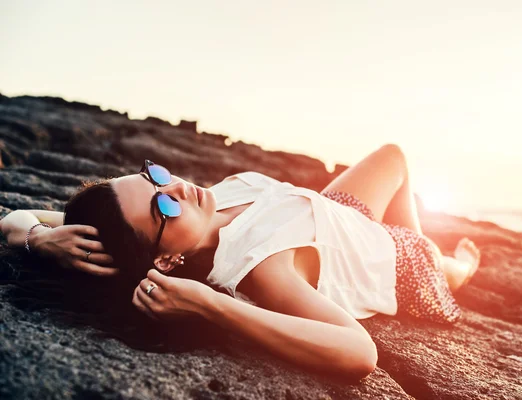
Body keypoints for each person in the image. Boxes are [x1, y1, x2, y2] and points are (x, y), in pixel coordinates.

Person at [0, 143, 480, 381]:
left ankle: (423, 236)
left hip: (340, 213)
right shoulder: (261, 266)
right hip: (397, 259)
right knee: (439, 258)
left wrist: (41, 238)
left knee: (394, 156)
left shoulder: (205, 202)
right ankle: (458, 267)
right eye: (162, 208)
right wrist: (213, 306)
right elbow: (359, 354)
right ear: (166, 260)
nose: (174, 190)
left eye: (155, 177)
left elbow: (16, 217)